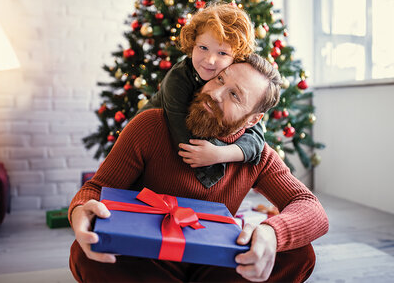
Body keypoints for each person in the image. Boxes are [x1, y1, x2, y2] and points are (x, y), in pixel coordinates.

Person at [69, 53, 329, 282]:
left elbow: (310, 207)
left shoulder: (257, 156)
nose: (215, 94)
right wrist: (80, 210)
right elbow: (96, 188)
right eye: (219, 79)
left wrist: (272, 233)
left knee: (298, 253)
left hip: (216, 261)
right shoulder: (151, 125)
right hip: (146, 256)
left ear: (253, 119)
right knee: (86, 252)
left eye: (235, 95)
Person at [137, 3, 265, 189]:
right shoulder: (178, 78)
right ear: (193, 43)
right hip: (146, 145)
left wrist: (222, 154)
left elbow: (257, 138)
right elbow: (188, 144)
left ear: (236, 58)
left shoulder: (234, 82)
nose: (209, 60)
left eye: (222, 53)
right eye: (203, 47)